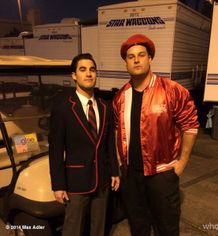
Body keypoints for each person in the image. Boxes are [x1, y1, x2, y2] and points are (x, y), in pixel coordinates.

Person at [113, 34, 199, 236]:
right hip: (131, 175)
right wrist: (119, 161)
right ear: (125, 62)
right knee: (138, 225)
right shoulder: (121, 96)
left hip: (162, 174)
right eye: (131, 56)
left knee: (167, 227)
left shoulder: (172, 90)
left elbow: (191, 125)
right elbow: (117, 129)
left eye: (141, 55)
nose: (136, 60)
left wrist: (182, 162)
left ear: (150, 58)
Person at [49, 53, 120, 236]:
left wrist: (114, 171)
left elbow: (109, 143)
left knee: (99, 228)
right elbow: (55, 150)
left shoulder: (105, 107)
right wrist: (58, 185)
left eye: (92, 69)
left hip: (102, 180)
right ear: (74, 76)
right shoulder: (63, 108)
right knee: (73, 228)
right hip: (76, 181)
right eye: (83, 70)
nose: (88, 74)